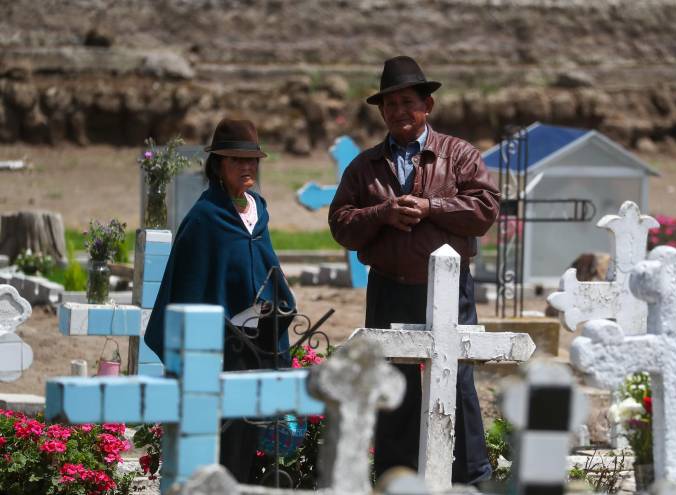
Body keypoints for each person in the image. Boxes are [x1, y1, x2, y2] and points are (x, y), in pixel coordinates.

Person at [328, 55, 500, 485]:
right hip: (389, 290)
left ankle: (469, 479)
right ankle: (393, 480)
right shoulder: (365, 166)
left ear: (428, 106)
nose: (399, 111)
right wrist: (384, 213)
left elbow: (484, 209)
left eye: (408, 102)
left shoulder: (458, 155)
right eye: (390, 105)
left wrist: (430, 207)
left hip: (447, 292)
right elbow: (341, 223)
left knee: (455, 385)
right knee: (393, 387)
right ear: (382, 112)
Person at [144, 118, 294, 483]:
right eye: (236, 160)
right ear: (218, 166)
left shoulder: (258, 210)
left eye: (252, 161)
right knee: (218, 448)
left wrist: (279, 306)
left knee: (248, 445)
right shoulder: (205, 218)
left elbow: (266, 269)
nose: (247, 167)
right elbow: (190, 288)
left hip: (257, 348)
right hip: (219, 352)